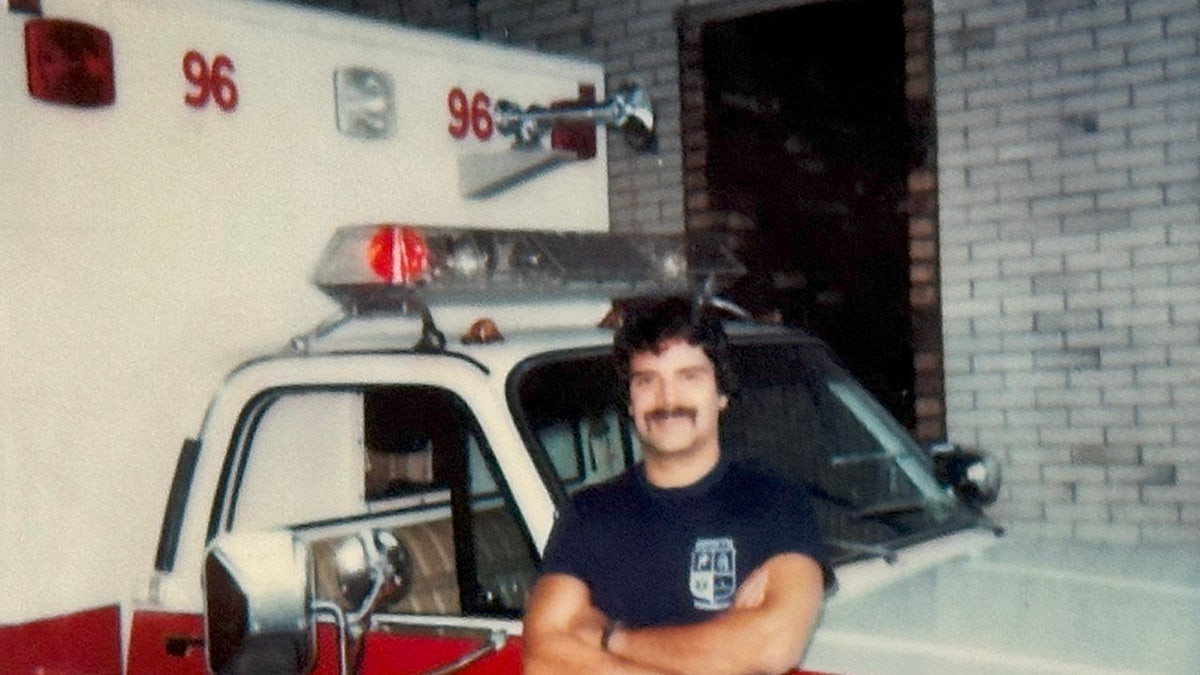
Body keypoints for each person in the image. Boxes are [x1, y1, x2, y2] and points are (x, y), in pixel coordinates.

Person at [523, 295, 830, 675]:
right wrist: (719, 651)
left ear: (721, 394)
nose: (667, 400)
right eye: (647, 381)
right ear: (630, 403)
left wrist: (612, 639)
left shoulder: (776, 503)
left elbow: (772, 644)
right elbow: (544, 661)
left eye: (689, 377)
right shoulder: (589, 513)